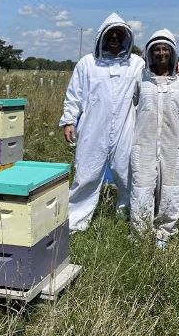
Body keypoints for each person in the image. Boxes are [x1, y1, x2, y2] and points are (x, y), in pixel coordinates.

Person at [60, 13, 144, 232]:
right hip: (92, 128)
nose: (114, 37)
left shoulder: (136, 64)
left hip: (127, 127)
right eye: (110, 34)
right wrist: (69, 120)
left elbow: (155, 78)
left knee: (127, 174)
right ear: (102, 37)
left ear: (127, 38)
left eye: (119, 34)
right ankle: (75, 221)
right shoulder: (87, 63)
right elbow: (74, 95)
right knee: (86, 173)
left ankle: (125, 216)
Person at [130, 29, 179, 248]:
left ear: (172, 52)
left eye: (165, 49)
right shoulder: (141, 77)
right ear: (150, 52)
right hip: (144, 142)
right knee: (142, 186)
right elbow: (130, 102)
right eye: (157, 49)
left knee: (171, 186)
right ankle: (140, 231)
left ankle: (164, 230)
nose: (161, 53)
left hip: (173, 143)